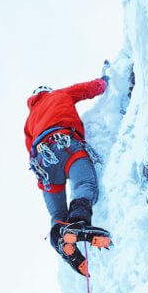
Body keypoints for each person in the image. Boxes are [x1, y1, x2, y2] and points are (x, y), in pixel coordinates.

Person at [25, 75, 110, 276]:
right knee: (84, 185)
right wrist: (104, 82)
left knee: (57, 215)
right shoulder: (60, 94)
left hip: (43, 161)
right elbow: (86, 89)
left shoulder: (29, 121)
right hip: (66, 145)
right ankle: (78, 223)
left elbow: (29, 149)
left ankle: (61, 239)